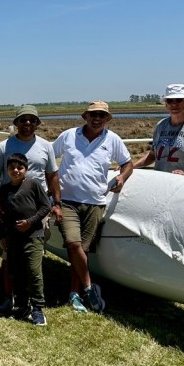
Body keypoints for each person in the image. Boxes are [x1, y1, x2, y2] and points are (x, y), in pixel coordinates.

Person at [53, 101, 134, 313]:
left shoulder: (113, 139)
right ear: (86, 117)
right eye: (93, 115)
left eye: (101, 115)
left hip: (95, 202)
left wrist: (122, 177)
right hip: (67, 200)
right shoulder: (69, 135)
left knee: (83, 250)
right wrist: (50, 189)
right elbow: (49, 157)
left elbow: (127, 163)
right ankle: (89, 288)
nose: (97, 119)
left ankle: (74, 293)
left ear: (107, 119)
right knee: (73, 243)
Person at [0, 105, 61, 319]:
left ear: (37, 123)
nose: (27, 123)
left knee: (33, 259)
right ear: (16, 123)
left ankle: (35, 304)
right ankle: (10, 297)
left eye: (32, 120)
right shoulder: (4, 147)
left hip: (37, 210)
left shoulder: (46, 146)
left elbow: (52, 175)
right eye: (23, 119)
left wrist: (57, 202)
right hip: (10, 210)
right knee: (9, 258)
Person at [0, 154, 52, 327]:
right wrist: (2, 234)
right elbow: (4, 215)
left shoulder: (33, 184)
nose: (16, 170)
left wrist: (30, 222)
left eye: (20, 167)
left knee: (34, 271)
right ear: (7, 170)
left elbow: (46, 207)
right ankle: (22, 305)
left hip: (33, 235)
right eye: (12, 167)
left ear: (26, 170)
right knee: (17, 271)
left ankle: (38, 308)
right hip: (13, 237)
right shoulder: (4, 189)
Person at [133, 83, 184, 178]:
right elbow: (152, 155)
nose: (174, 104)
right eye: (170, 101)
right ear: (166, 104)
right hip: (161, 182)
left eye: (179, 100)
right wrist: (131, 166)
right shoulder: (161, 125)